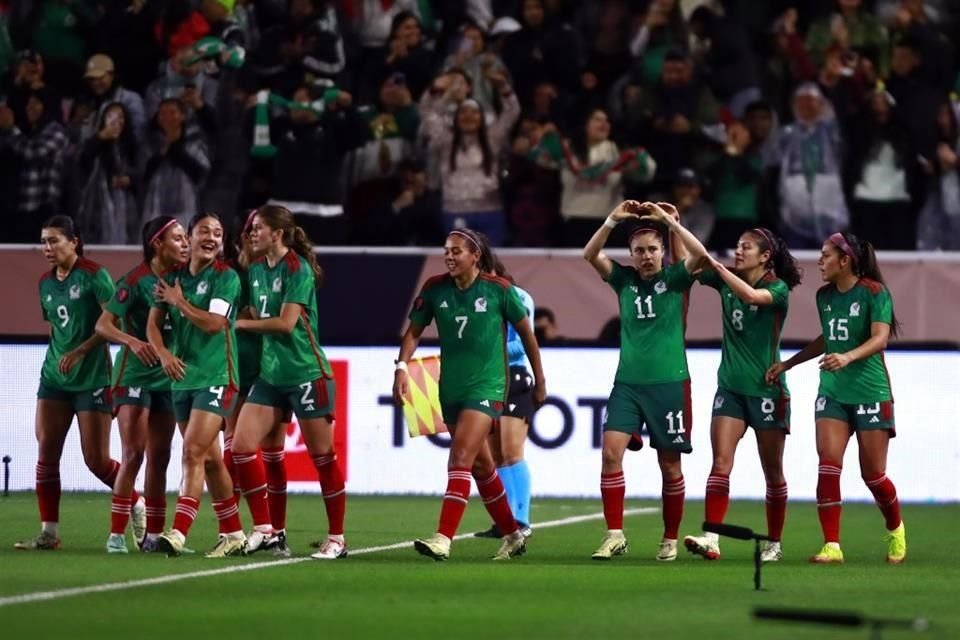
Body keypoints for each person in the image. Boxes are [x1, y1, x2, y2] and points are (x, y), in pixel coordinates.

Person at [648, 208, 802, 562]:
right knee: (720, 463)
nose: (738, 251)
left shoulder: (777, 289)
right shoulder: (725, 279)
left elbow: (751, 297)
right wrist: (676, 227)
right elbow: (686, 261)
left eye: (746, 247)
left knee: (773, 472)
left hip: (767, 392)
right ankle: (712, 538)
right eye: (738, 246)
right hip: (730, 389)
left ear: (765, 257)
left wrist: (717, 268)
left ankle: (774, 544)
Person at [393, 228, 546, 561]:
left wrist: (541, 379)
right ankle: (512, 533)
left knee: (460, 458)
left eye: (457, 251)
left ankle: (443, 538)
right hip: (450, 389)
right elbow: (414, 331)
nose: (449, 256)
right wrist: (402, 368)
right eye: (446, 250)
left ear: (475, 256)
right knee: (481, 466)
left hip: (488, 388)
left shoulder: (499, 291)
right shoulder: (434, 290)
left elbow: (528, 337)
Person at [766, 232, 906, 564]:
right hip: (832, 393)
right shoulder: (824, 296)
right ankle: (832, 545)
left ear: (845, 261)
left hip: (871, 391)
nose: (820, 261)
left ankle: (896, 528)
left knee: (873, 475)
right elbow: (828, 337)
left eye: (826, 255)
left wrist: (847, 357)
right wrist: (789, 362)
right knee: (828, 466)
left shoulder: (875, 292)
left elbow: (880, 338)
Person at [16, 216, 143, 550]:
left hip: (93, 380)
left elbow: (108, 324)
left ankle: (136, 500)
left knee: (96, 461)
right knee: (46, 453)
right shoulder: (45, 283)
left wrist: (80, 351)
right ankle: (49, 533)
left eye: (54, 240)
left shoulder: (94, 275)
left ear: (74, 241)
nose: (47, 247)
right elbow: (59, 329)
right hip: (55, 380)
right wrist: (61, 356)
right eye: (43, 241)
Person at [231, 205, 348, 560]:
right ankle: (269, 530)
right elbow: (255, 311)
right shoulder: (254, 269)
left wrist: (238, 324)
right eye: (251, 228)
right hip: (271, 376)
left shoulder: (297, 269)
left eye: (259, 228)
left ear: (278, 234)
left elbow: (285, 323)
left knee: (322, 458)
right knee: (240, 447)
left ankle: (337, 540)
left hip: (307, 374)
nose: (252, 233)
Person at [582, 201, 696, 562]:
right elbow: (590, 253)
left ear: (663, 251)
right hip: (628, 384)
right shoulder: (624, 280)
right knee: (611, 453)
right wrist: (612, 219)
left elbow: (701, 257)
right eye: (639, 251)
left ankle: (670, 538)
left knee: (670, 466)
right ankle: (615, 534)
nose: (646, 256)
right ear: (631, 254)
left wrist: (673, 224)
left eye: (652, 249)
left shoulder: (676, 279)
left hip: (670, 385)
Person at [147, 213, 247, 558]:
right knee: (211, 460)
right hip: (182, 379)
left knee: (192, 452)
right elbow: (152, 326)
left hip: (218, 375)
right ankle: (233, 533)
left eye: (218, 233)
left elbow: (215, 324)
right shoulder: (171, 279)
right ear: (188, 238)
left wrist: (179, 302)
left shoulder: (226, 278)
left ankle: (178, 532)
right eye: (204, 230)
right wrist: (162, 354)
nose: (212, 237)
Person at [95, 216, 189, 553]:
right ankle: (117, 534)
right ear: (157, 244)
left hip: (168, 377)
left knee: (161, 457)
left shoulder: (183, 281)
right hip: (133, 375)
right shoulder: (134, 281)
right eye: (178, 238)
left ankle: (153, 535)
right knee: (133, 453)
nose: (185, 244)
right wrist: (131, 342)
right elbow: (103, 325)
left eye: (185, 238)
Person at [222, 212, 291, 557]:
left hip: (268, 371)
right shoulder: (231, 276)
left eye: (255, 232)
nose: (251, 239)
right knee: (234, 451)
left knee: (274, 456)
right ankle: (230, 530)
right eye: (246, 234)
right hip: (235, 371)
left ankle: (276, 531)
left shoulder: (274, 273)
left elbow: (279, 319)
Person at [475, 258, 536, 539]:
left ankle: (521, 520)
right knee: (496, 455)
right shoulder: (477, 302)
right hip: (489, 382)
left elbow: (522, 343)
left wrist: (488, 349)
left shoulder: (519, 297)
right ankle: (505, 521)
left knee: (512, 451)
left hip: (515, 378)